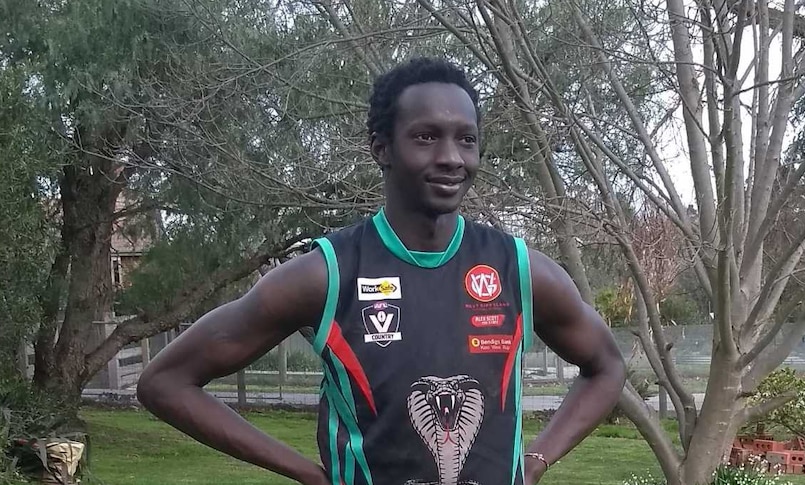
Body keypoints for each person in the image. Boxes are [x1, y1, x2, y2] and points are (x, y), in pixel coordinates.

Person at [137, 57, 626, 485]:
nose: (451, 158)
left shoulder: (520, 270)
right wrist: (308, 473)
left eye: (466, 140)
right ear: (381, 148)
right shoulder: (326, 275)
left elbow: (607, 366)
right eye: (426, 137)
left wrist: (535, 461)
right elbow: (166, 382)